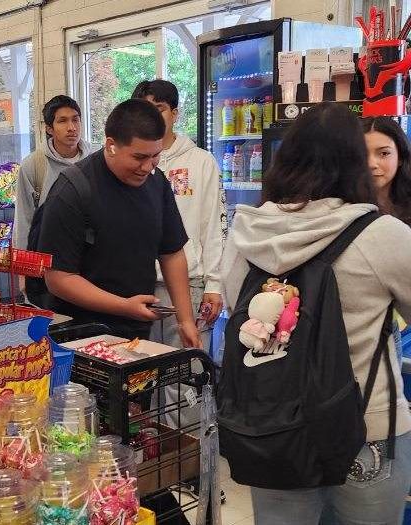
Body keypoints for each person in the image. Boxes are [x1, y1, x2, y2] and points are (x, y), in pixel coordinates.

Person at [222, 102, 411, 525]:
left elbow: (240, 313)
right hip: (366, 429)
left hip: (271, 428)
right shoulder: (382, 235)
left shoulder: (247, 232)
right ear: (354, 163)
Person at [37, 98, 201, 347]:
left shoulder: (157, 183)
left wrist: (185, 319)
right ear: (111, 145)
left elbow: (172, 253)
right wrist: (123, 306)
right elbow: (59, 278)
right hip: (80, 336)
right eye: (138, 157)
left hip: (135, 332)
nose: (147, 167)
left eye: (155, 156)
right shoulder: (72, 190)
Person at [131, 80, 224, 350]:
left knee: (186, 376)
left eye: (158, 109)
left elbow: (214, 225)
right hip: (138, 286)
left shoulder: (201, 161)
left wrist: (214, 284)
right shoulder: (130, 163)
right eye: (144, 110)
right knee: (142, 373)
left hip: (189, 284)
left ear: (174, 113)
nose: (151, 117)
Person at [13, 95, 91, 252]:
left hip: (92, 258)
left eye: (75, 120)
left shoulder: (95, 160)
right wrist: (24, 267)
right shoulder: (33, 165)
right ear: (49, 129)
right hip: (50, 257)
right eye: (62, 121)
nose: (72, 127)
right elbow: (24, 220)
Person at [362, 116, 411, 226]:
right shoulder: (342, 207)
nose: (371, 164)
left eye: (384, 153)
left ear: (401, 157)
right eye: (363, 154)